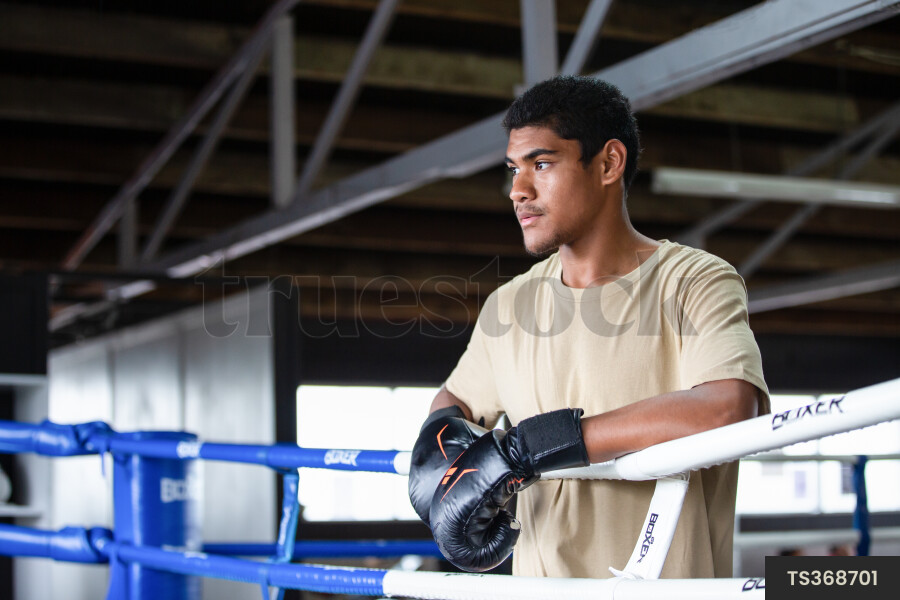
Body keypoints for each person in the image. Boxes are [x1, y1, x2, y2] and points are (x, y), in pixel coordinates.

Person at [408, 76, 769, 580]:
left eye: (542, 163)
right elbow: (455, 401)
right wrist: (440, 453)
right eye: (514, 168)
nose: (518, 189)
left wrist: (529, 448)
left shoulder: (694, 280)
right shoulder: (509, 305)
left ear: (608, 163)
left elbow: (728, 407)